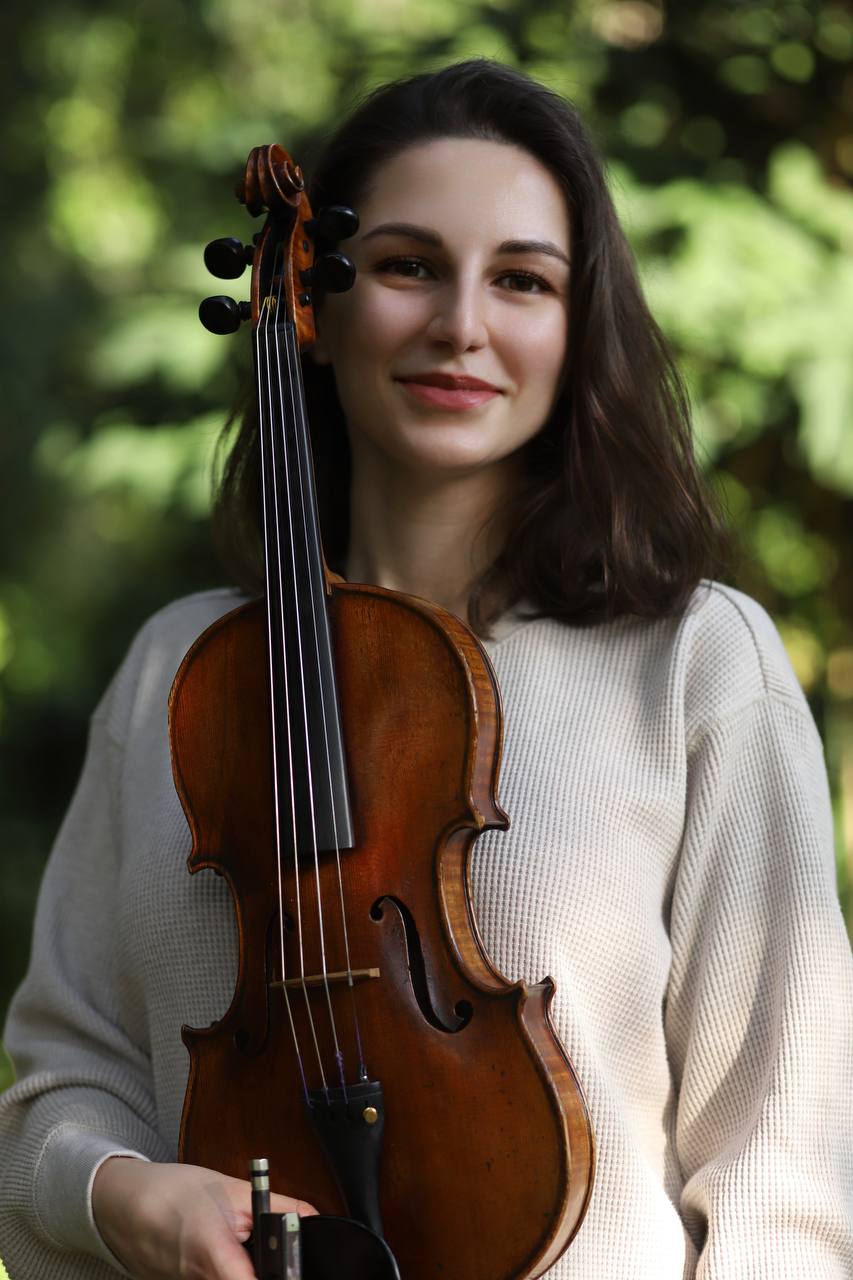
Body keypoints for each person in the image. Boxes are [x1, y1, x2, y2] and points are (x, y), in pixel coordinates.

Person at [1, 58, 851, 1280]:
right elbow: (56, 1099)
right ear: (320, 304)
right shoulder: (178, 673)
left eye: (521, 279)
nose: (462, 323)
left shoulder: (696, 659)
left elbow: (783, 1184)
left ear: (576, 326)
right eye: (406, 265)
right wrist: (124, 1196)